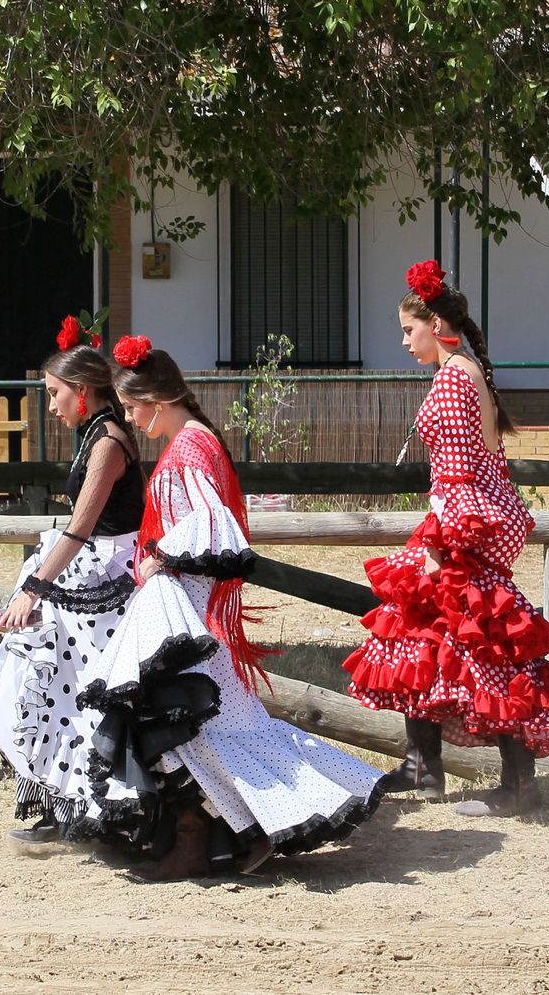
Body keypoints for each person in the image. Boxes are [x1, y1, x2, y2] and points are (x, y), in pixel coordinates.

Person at [77, 336, 384, 881]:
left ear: (157, 396)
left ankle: (220, 834)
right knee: (199, 725)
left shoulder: (190, 447)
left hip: (186, 614)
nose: (129, 417)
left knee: (193, 723)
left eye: (131, 406)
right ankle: (221, 833)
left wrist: (160, 559)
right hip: (182, 611)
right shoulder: (193, 441)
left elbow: (211, 527)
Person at [344, 260, 549, 818]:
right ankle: (427, 769)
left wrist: (441, 543)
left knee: (477, 640)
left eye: (408, 329)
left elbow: (460, 471)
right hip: (479, 516)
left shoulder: (452, 377)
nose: (403, 341)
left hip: (464, 521)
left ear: (436, 322)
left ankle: (512, 784)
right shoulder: (471, 371)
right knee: (429, 633)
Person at [0, 318, 145, 843]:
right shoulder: (96, 433)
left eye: (54, 393)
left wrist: (34, 589)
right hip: (87, 568)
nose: (50, 405)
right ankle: (68, 806)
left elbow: (82, 526)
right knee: (49, 690)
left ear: (82, 391)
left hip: (104, 580)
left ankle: (97, 808)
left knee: (79, 695)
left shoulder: (109, 440)